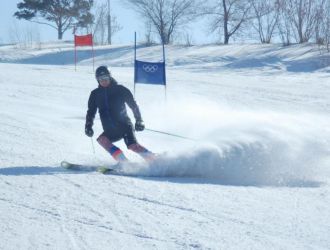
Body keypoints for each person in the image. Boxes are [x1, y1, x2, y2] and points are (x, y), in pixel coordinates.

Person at [85, 65, 155, 162]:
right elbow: (91, 111)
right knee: (102, 140)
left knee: (132, 146)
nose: (103, 81)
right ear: (97, 80)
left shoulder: (120, 89)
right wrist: (88, 126)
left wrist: (139, 120)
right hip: (110, 129)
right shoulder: (95, 94)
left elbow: (133, 105)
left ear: (110, 77)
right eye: (100, 79)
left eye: (105, 78)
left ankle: (154, 159)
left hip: (124, 126)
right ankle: (124, 162)